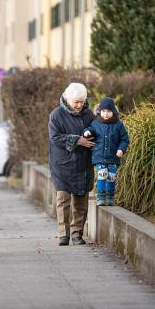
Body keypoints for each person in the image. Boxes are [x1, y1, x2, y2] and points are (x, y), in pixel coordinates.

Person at [48, 82, 96, 246]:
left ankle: (77, 234)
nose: (79, 105)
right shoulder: (56, 115)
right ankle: (63, 234)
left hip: (83, 163)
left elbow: (96, 133)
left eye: (82, 102)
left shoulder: (89, 115)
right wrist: (78, 140)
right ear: (68, 100)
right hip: (62, 164)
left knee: (80, 201)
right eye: (76, 102)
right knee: (63, 200)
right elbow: (55, 138)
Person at [83, 97, 130, 206]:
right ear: (100, 111)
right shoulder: (96, 123)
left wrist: (121, 149)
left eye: (108, 111)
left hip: (113, 156)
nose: (105, 114)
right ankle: (100, 196)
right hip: (99, 156)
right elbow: (89, 129)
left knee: (111, 177)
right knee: (102, 174)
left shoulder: (118, 124)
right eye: (103, 111)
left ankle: (110, 197)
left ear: (113, 112)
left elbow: (124, 139)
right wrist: (87, 132)